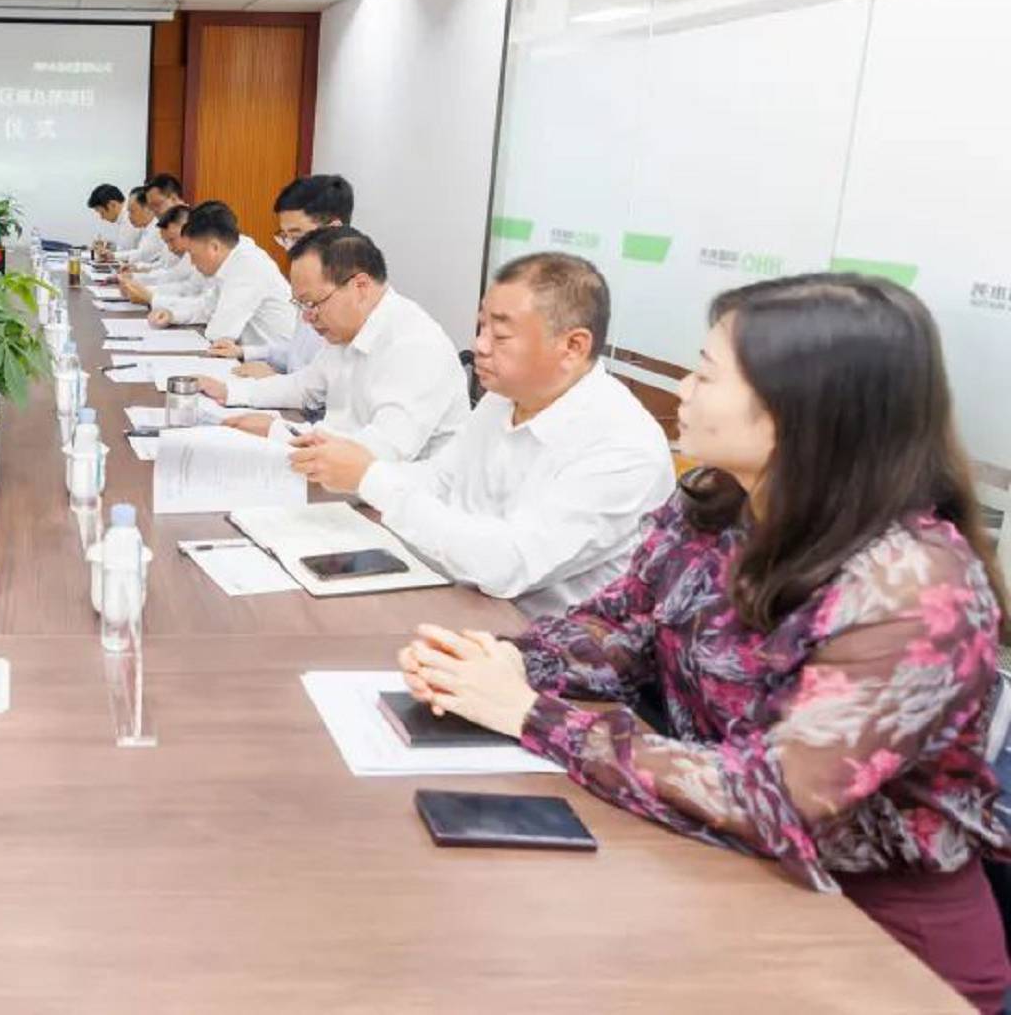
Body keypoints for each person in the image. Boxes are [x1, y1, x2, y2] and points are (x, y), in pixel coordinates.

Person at [399, 273, 1011, 1012]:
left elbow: (775, 797)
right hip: (722, 873)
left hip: (875, 946)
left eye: (708, 373)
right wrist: (496, 661)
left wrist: (531, 712)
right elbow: (620, 627)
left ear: (799, 408)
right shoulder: (717, 505)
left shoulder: (917, 588)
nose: (683, 390)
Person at [289, 251, 674, 615]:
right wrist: (353, 469)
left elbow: (506, 564)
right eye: (481, 326)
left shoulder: (624, 446)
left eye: (500, 335)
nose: (479, 346)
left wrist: (371, 478)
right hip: (459, 595)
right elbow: (440, 479)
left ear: (573, 346)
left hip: (542, 639)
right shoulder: (505, 397)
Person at [203, 227, 468, 461]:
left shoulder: (415, 345)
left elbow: (381, 452)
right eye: (301, 305)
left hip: (398, 493)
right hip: (345, 478)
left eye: (312, 303)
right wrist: (229, 391)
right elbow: (305, 386)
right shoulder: (346, 330)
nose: (307, 317)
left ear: (360, 286)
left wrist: (277, 430)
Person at [212, 174, 354, 379]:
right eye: (285, 237)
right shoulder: (314, 281)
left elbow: (330, 386)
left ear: (334, 229)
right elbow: (298, 353)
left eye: (296, 236)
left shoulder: (352, 296)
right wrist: (245, 352)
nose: (289, 248)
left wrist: (274, 379)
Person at [147, 200, 297, 351]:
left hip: (277, 360)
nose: (192, 262)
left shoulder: (248, 265)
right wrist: (172, 315)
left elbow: (219, 332)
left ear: (214, 247)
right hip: (252, 354)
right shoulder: (232, 256)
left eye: (192, 254)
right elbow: (208, 307)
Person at [117, 205, 199, 308]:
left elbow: (189, 293)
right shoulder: (187, 255)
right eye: (166, 242)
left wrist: (149, 295)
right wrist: (135, 282)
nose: (170, 248)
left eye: (172, 240)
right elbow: (171, 277)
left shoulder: (199, 255)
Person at [85, 183, 128, 251]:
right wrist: (110, 246)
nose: (102, 218)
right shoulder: (124, 217)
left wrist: (109, 252)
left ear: (112, 205)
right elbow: (127, 248)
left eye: (102, 212)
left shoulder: (130, 219)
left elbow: (125, 252)